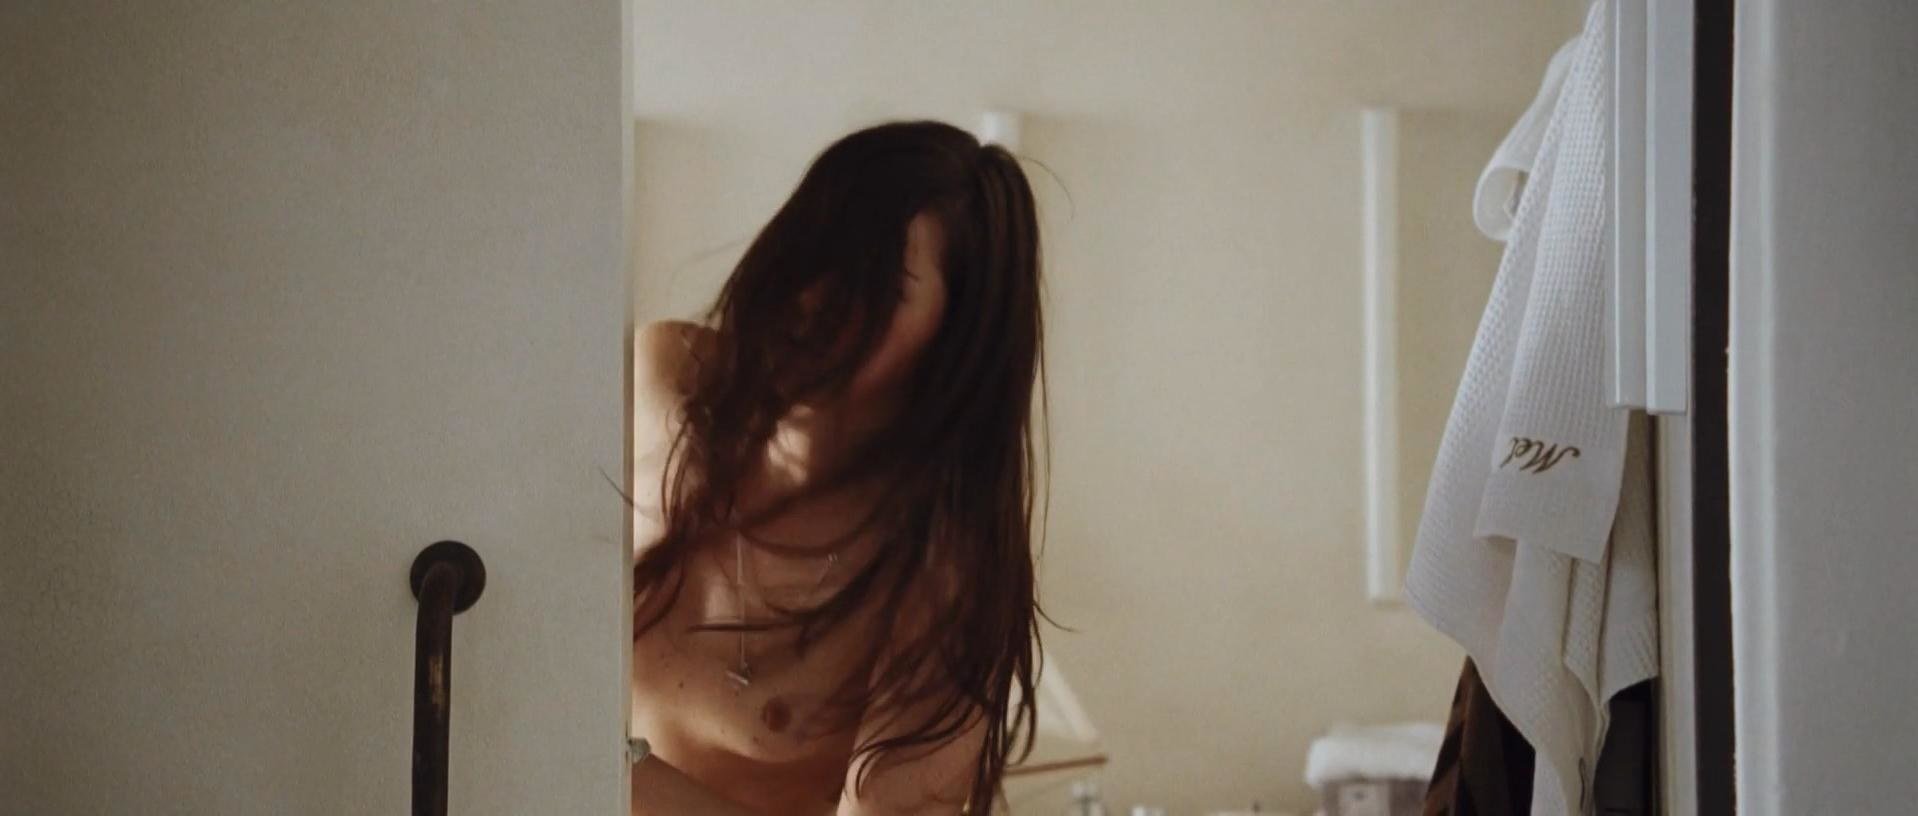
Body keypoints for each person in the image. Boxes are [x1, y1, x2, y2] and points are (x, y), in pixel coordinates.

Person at [628, 120, 1047, 815]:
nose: (815, 295)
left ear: (951, 340)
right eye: (816, 247)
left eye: (879, 284)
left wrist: (610, 773)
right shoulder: (663, 377)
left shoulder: (940, 581)